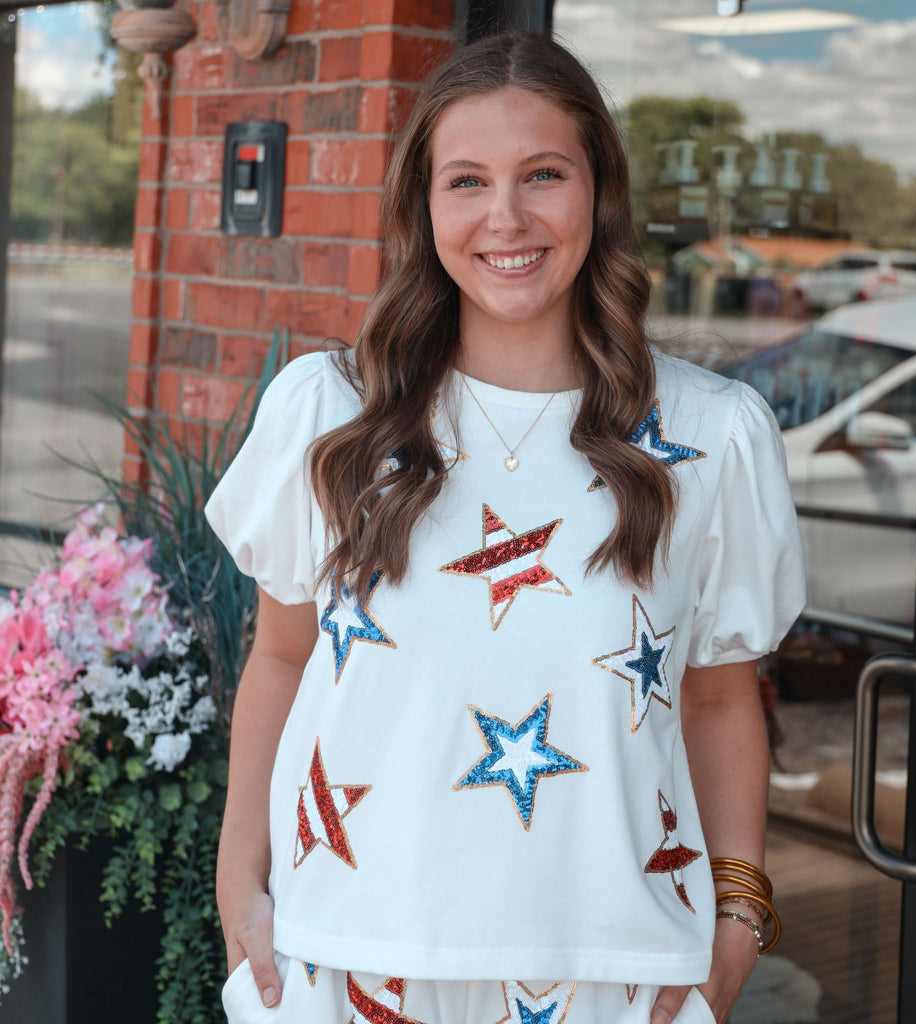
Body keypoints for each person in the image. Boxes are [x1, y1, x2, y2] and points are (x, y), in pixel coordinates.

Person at [205, 31, 805, 1024]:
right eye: (467, 180)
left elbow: (717, 701)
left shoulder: (712, 434)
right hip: (350, 954)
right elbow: (279, 658)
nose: (506, 217)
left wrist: (736, 921)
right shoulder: (329, 413)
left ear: (598, 192)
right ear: (425, 205)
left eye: (543, 175)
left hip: (616, 971)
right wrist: (239, 881)